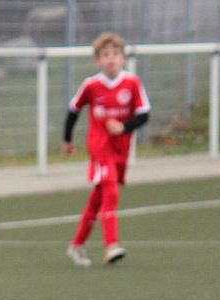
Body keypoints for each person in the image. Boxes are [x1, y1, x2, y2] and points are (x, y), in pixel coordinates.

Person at [63, 32, 151, 267]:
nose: (111, 59)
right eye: (105, 55)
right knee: (111, 192)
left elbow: (144, 115)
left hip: (121, 148)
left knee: (98, 198)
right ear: (97, 61)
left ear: (123, 58)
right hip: (100, 147)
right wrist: (67, 139)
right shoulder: (91, 85)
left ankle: (77, 246)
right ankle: (111, 245)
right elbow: (73, 110)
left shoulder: (132, 83)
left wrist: (123, 127)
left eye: (115, 54)